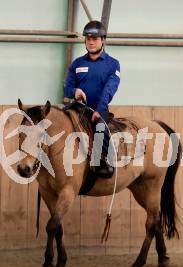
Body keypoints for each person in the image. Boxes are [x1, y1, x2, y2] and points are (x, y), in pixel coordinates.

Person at [64, 20, 121, 178]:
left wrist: (100, 109)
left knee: (100, 128)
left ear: (103, 40)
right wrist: (74, 92)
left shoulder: (112, 64)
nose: (91, 42)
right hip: (77, 109)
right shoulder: (77, 63)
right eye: (88, 39)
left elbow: (110, 89)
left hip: (98, 109)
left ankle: (104, 162)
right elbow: (67, 88)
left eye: (95, 39)